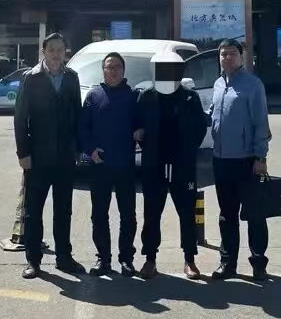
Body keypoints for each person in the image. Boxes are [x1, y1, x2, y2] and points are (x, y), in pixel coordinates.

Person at [13, 32, 85, 279]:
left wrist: (78, 148)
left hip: (65, 156)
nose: (56, 54)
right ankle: (33, 260)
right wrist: (23, 152)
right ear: (43, 52)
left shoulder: (72, 78)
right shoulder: (30, 78)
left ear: (66, 53)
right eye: (51, 49)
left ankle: (64, 257)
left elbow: (77, 114)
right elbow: (20, 118)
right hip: (38, 156)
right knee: (33, 210)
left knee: (64, 210)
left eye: (60, 50)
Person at [135, 51, 209, 280]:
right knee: (151, 214)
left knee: (187, 213)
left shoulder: (190, 97)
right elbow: (137, 127)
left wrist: (186, 150)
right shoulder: (146, 96)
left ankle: (189, 259)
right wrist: (146, 142)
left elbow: (200, 128)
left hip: (182, 166)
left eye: (171, 68)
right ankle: (150, 259)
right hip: (154, 165)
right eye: (162, 68)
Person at [209, 39, 271, 280]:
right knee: (227, 214)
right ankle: (228, 262)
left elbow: (261, 122)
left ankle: (259, 263)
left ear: (241, 56)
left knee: (254, 213)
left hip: (246, 159)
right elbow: (213, 115)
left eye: (232, 54)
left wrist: (260, 156)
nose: (227, 58)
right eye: (223, 54)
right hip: (221, 158)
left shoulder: (253, 85)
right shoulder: (217, 84)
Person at [79, 52, 139, 276]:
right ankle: (103, 258)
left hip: (125, 165)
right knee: (99, 215)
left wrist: (140, 132)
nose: (112, 71)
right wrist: (91, 151)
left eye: (117, 67)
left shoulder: (133, 96)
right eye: (108, 67)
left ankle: (126, 259)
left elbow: (141, 125)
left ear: (123, 70)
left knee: (128, 215)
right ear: (103, 70)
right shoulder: (93, 95)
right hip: (100, 166)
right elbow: (83, 128)